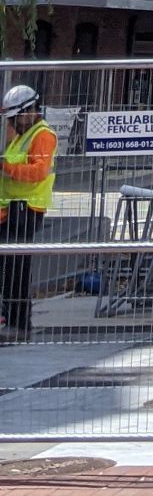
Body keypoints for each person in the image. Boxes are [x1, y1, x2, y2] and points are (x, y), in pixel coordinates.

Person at [0, 85, 57, 341]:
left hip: (26, 209)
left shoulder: (42, 135)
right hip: (12, 208)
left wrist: (5, 167)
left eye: (16, 117)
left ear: (30, 111)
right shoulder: (23, 135)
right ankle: (11, 321)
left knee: (17, 270)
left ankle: (19, 325)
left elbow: (38, 171)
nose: (13, 123)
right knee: (9, 268)